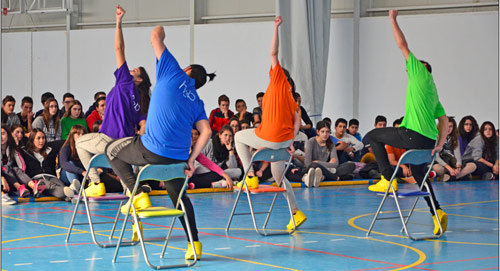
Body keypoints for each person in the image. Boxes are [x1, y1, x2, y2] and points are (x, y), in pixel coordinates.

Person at [105, 5, 214, 260]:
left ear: (187, 71)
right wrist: (190, 159)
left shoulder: (173, 72)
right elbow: (206, 132)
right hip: (176, 160)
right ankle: (194, 245)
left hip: (150, 151)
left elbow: (155, 35)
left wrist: (162, 26)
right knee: (180, 198)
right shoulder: (197, 102)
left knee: (112, 151)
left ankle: (138, 194)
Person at [366, 10, 448, 236]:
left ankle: (386, 178)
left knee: (373, 135)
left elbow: (402, 44)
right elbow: (444, 119)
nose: (408, 67)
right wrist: (439, 144)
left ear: (422, 68)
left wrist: (392, 19)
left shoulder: (419, 73)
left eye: (412, 65)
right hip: (428, 141)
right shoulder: (433, 91)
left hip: (413, 134)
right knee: (419, 173)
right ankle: (437, 212)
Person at [234, 16, 307, 230]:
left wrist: (275, 28)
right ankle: (296, 212)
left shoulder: (277, 80)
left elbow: (273, 53)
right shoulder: (293, 101)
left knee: (239, 136)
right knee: (278, 176)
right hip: (283, 142)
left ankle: (250, 177)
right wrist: (290, 142)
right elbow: (296, 124)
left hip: (269, 137)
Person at [76, 5, 150, 198]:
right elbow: (143, 127)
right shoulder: (142, 102)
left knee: (79, 143)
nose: (130, 70)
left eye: (134, 70)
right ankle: (133, 193)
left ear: (139, 79)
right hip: (125, 144)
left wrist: (118, 21)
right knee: (123, 169)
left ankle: (96, 182)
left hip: (107, 138)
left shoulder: (126, 81)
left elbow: (119, 48)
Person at [303, 121, 355, 187]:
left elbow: (336, 164)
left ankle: (322, 176)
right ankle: (335, 177)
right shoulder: (311, 142)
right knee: (314, 165)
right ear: (318, 132)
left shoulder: (331, 144)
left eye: (327, 132)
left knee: (351, 165)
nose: (325, 134)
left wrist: (318, 162)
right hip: (312, 169)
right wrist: (328, 164)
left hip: (326, 169)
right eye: (322, 131)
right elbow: (308, 164)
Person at [20, 129, 66, 199]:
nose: (41, 141)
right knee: (48, 185)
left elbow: (63, 142)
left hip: (51, 176)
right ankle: (71, 191)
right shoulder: (24, 151)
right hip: (36, 179)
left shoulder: (50, 149)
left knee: (62, 190)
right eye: (38, 138)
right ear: (32, 139)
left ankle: (68, 192)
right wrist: (24, 135)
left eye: (43, 138)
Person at [432, 117, 477, 181]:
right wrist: (450, 169)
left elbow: (458, 156)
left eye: (450, 126)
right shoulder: (436, 137)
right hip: (442, 163)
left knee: (473, 165)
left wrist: (458, 168)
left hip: (452, 162)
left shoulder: (455, 138)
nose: (448, 129)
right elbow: (436, 157)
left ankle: (451, 177)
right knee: (437, 168)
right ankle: (448, 176)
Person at [58, 125, 86, 194]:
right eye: (78, 134)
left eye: (83, 134)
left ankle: (73, 189)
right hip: (66, 176)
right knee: (70, 164)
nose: (81, 136)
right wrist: (81, 171)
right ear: (72, 135)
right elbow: (64, 164)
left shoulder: (87, 148)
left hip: (82, 176)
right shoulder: (66, 148)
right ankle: (76, 188)